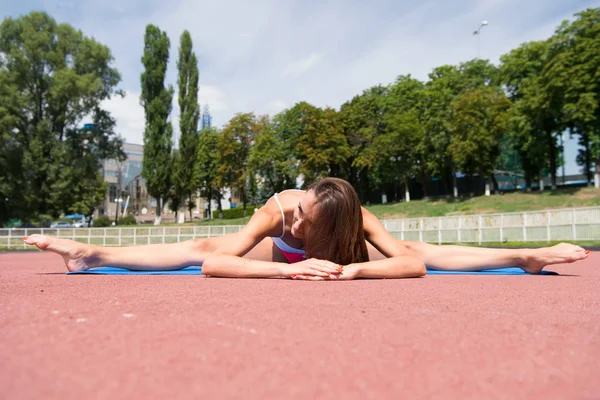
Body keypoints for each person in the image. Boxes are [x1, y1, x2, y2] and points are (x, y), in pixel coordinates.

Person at [23, 178, 589, 280]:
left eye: (304, 222)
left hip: (344, 254)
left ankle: (529, 255)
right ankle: (89, 251)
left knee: (420, 245)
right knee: (204, 241)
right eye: (294, 213)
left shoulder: (356, 221)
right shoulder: (276, 213)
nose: (293, 223)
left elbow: (413, 263)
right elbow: (215, 264)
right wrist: (293, 271)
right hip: (286, 263)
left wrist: (354, 269)